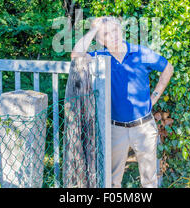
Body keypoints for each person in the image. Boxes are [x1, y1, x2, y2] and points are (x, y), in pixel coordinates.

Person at [71, 16, 174, 188]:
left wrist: (154, 97)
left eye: (115, 30)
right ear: (101, 41)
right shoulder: (100, 56)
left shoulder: (140, 52)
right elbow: (76, 57)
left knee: (149, 181)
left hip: (144, 127)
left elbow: (168, 68)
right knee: (111, 181)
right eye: (106, 34)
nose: (113, 35)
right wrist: (94, 30)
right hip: (115, 128)